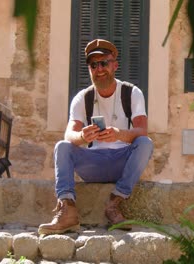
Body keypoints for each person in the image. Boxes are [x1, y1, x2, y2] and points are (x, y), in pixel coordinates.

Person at [38, 39, 153, 234]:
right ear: (89, 69)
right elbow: (69, 134)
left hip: (122, 162)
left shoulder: (132, 93)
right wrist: (82, 136)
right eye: (93, 65)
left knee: (145, 143)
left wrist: (120, 134)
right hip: (93, 164)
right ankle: (67, 210)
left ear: (115, 65)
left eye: (104, 63)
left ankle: (114, 203)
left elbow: (142, 131)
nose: (99, 69)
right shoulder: (82, 98)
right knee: (62, 146)